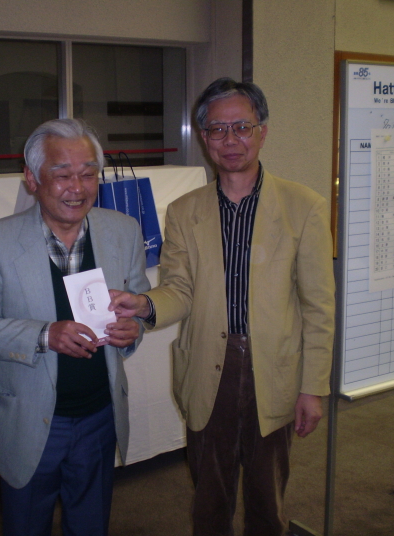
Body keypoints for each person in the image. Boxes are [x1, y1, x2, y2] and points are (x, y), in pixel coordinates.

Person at [109, 78, 335, 536]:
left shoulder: (304, 206)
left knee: (267, 501)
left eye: (242, 127)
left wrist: (313, 387)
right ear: (204, 136)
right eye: (217, 129)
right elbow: (179, 289)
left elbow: (318, 308)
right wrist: (145, 304)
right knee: (210, 501)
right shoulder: (183, 211)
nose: (230, 140)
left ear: (262, 131)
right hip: (208, 368)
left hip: (274, 369)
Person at [0, 118, 150, 536]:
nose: (76, 188)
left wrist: (133, 330)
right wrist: (45, 335)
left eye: (88, 174)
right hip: (28, 418)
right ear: (32, 178)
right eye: (62, 175)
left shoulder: (124, 231)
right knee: (26, 526)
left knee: (91, 526)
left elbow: (137, 307)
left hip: (99, 415)